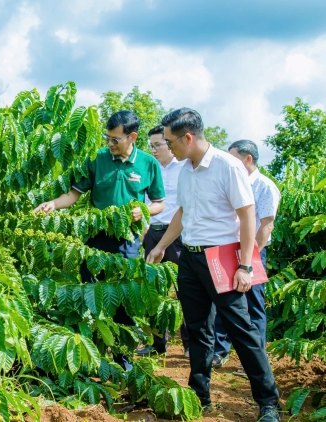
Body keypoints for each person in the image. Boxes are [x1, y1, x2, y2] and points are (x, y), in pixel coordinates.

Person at [146, 108, 280, 422]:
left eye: (170, 142)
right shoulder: (187, 170)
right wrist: (163, 246)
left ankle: (268, 403)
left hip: (221, 258)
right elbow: (183, 213)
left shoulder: (227, 166)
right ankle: (199, 396)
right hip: (190, 259)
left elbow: (248, 216)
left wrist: (245, 267)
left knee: (242, 331)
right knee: (198, 330)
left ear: (188, 138)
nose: (168, 148)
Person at [34, 110, 166, 370]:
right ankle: (88, 360)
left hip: (127, 242)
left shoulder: (148, 164)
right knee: (89, 296)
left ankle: (123, 361)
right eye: (107, 138)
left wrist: (144, 210)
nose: (109, 144)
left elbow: (160, 203)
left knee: (123, 301)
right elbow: (73, 194)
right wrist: (53, 204)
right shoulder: (97, 159)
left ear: (132, 137)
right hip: (94, 239)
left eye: (115, 139)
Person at [211, 140, 281, 376]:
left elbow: (266, 224)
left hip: (252, 252)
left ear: (248, 159)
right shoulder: (232, 182)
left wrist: (249, 258)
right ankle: (220, 352)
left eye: (234, 158)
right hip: (228, 249)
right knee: (224, 299)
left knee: (253, 305)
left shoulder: (264, 186)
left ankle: (252, 360)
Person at [135, 125, 190, 358]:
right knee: (153, 290)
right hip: (153, 232)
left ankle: (190, 344)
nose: (154, 150)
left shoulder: (186, 168)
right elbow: (147, 200)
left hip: (178, 235)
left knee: (184, 289)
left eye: (158, 144)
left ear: (170, 144)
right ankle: (159, 343)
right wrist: (144, 230)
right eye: (151, 146)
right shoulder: (150, 167)